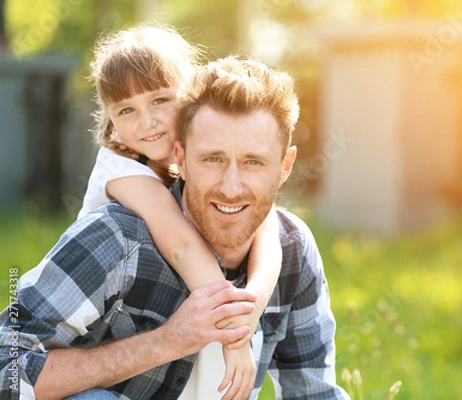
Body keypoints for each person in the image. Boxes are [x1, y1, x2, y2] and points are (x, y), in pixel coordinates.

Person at [0, 56, 349, 399]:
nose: (231, 187)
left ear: (285, 166)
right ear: (180, 159)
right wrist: (166, 341)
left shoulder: (291, 247)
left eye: (253, 162)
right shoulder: (117, 238)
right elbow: (6, 370)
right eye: (212, 159)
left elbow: (315, 393)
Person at [80, 24, 282, 398]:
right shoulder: (120, 171)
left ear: (187, 96)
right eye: (126, 110)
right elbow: (182, 248)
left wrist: (252, 303)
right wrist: (237, 338)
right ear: (109, 118)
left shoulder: (192, 164)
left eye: (159, 100)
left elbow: (268, 227)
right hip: (103, 347)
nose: (147, 121)